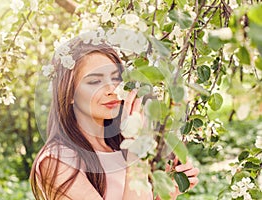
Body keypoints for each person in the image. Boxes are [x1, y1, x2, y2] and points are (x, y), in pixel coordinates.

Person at [30, 38, 199, 200]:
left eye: (116, 78)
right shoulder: (57, 161)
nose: (112, 89)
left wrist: (168, 193)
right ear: (68, 93)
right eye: (95, 81)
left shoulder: (119, 147)